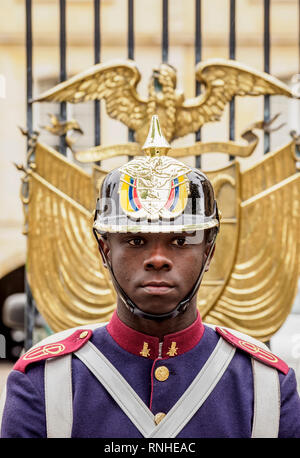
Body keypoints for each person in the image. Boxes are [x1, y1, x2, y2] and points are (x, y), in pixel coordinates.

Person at [1, 115, 300, 438]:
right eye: (136, 240)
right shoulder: (44, 380)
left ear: (209, 253)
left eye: (181, 241)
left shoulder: (267, 382)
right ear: (104, 251)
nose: (158, 258)